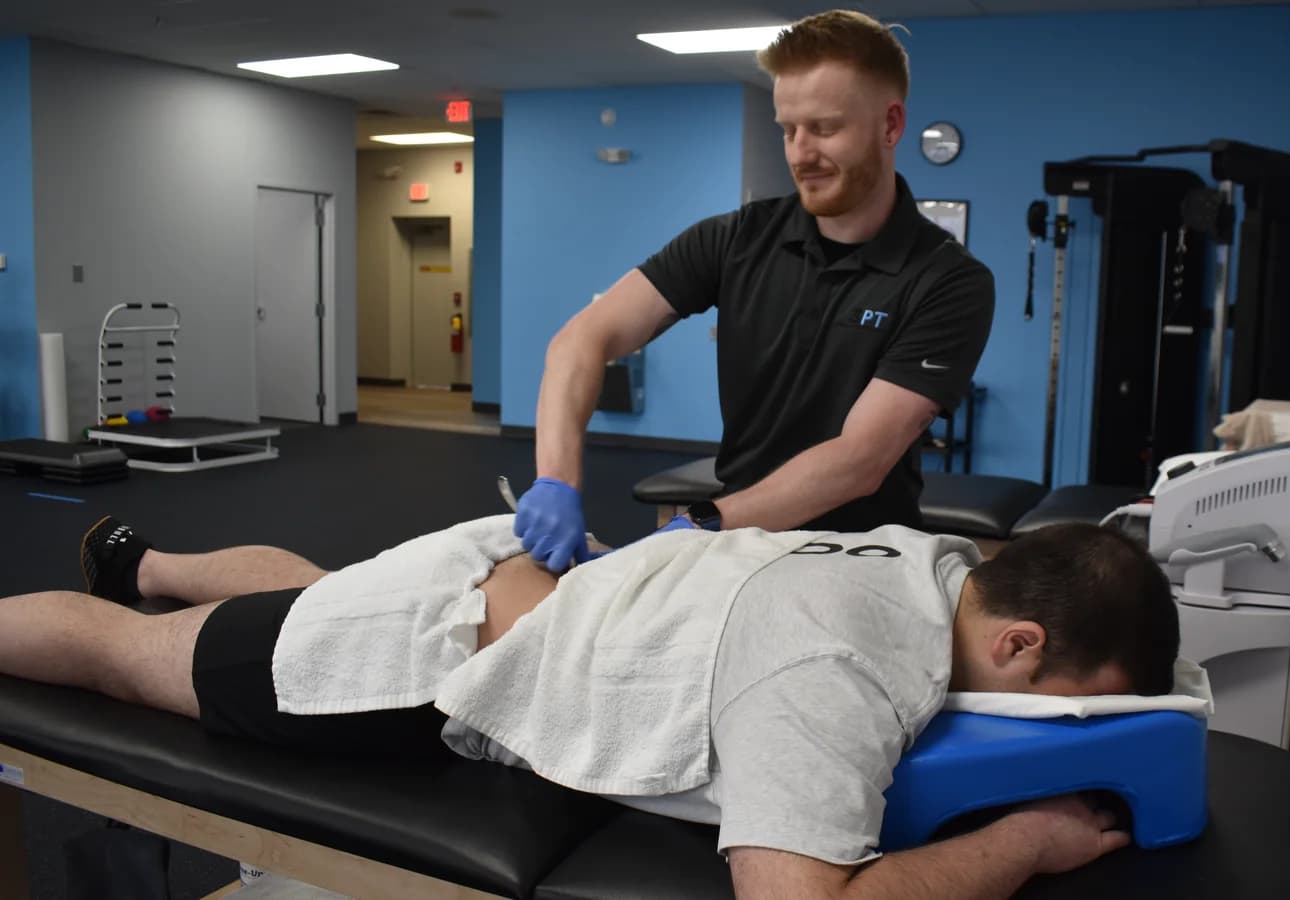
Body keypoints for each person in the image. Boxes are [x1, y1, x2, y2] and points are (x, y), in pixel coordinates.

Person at [3, 514, 1178, 899]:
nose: (1060, 728)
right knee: (126, 656)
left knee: (314, 589)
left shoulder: (944, 560)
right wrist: (1024, 841)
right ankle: (133, 597)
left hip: (507, 583)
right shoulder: (839, 663)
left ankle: (147, 557)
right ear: (1018, 639)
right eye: (1067, 707)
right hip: (412, 665)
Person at [517, 9, 996, 570]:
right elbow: (582, 340)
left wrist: (704, 523)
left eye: (824, 128)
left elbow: (858, 460)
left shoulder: (948, 280)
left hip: (860, 560)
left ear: (890, 125)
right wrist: (556, 481)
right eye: (788, 129)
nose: (799, 153)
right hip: (739, 548)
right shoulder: (736, 238)